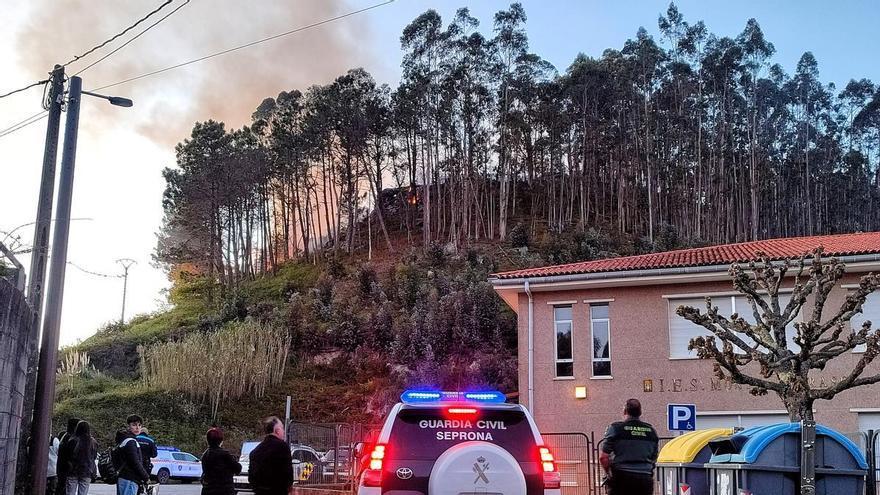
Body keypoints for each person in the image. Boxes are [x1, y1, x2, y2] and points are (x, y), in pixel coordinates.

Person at [599, 399, 659, 495]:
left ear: (625, 411)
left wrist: (609, 473)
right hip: (645, 479)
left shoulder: (616, 428)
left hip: (621, 478)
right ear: (640, 412)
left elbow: (603, 458)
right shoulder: (651, 431)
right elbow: (654, 457)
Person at [248, 416, 293, 495]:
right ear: (277, 431)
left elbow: (251, 477)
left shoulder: (255, 451)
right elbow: (287, 472)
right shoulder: (282, 447)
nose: (284, 431)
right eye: (282, 428)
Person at [200, 427, 242, 495]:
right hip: (224, 490)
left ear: (207, 440)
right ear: (221, 441)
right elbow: (238, 468)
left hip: (208, 490)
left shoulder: (205, 455)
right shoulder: (225, 454)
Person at [114, 429, 150, 495]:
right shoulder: (131, 442)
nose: (137, 428)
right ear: (129, 427)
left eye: (139, 425)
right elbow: (135, 462)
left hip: (123, 478)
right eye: (134, 425)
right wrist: (146, 477)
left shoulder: (123, 440)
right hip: (130, 479)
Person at [66, 420, 98, 495]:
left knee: (70, 492)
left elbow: (68, 455)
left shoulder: (72, 440)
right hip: (87, 470)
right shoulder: (93, 442)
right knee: (83, 492)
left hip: (73, 470)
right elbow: (94, 456)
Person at [56, 417, 80, 492]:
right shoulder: (72, 439)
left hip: (61, 467)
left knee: (61, 488)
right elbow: (73, 454)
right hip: (67, 469)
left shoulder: (64, 436)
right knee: (66, 489)